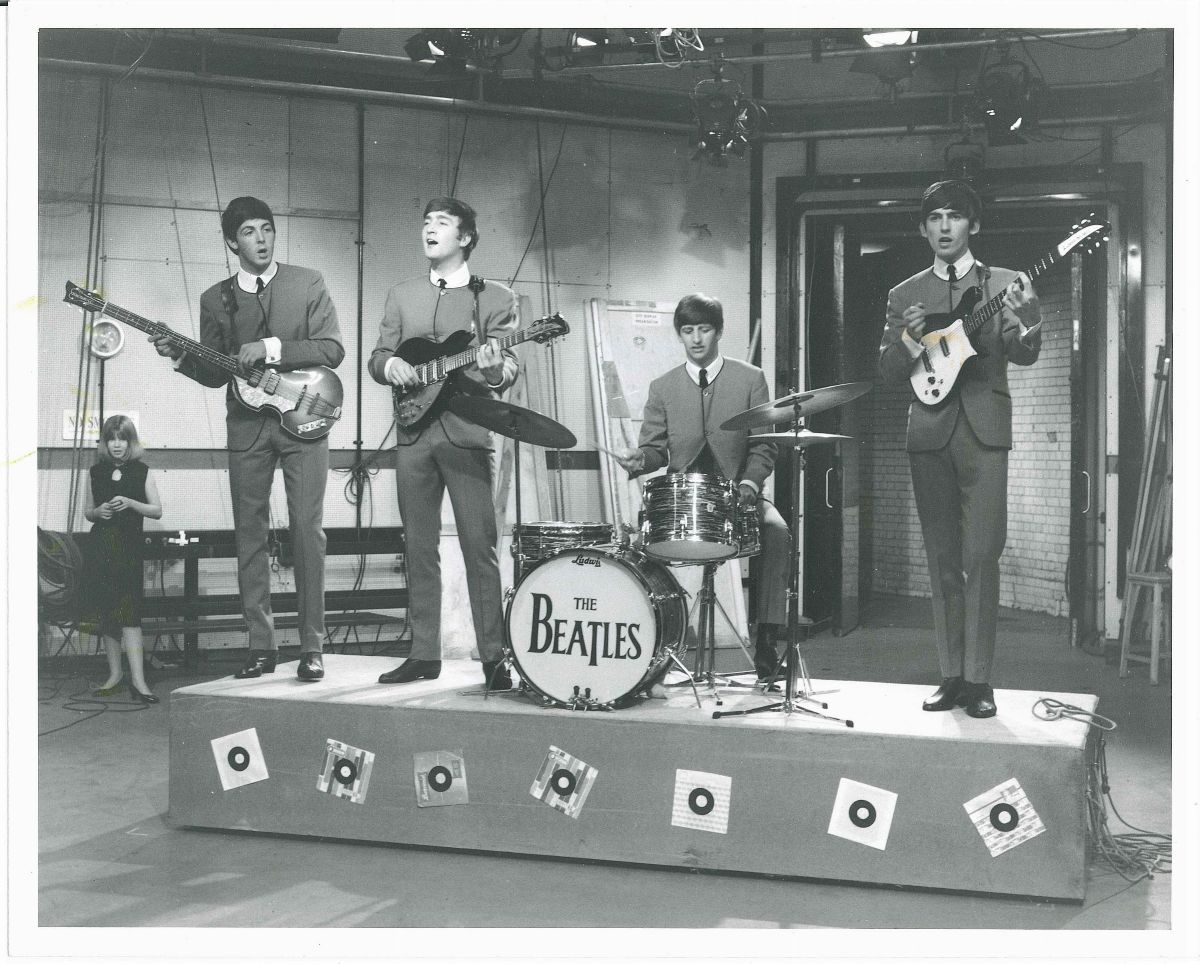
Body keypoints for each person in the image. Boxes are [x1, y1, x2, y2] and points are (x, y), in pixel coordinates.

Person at [151, 196, 344, 681]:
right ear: (231, 242)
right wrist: (179, 356)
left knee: (307, 532)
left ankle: (312, 647)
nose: (262, 239)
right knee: (249, 537)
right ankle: (261, 646)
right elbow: (217, 372)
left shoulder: (307, 282)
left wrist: (271, 348)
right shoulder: (214, 299)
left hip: (304, 420)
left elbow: (332, 349)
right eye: (250, 232)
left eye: (267, 229)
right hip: (245, 427)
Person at [878, 178, 1042, 719]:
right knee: (943, 560)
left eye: (954, 215)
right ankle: (951, 675)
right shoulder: (904, 294)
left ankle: (980, 680)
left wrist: (1031, 318)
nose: (945, 226)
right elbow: (887, 371)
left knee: (982, 557)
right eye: (935, 218)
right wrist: (908, 340)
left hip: (985, 431)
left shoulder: (1007, 283)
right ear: (923, 229)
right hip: (928, 433)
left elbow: (1024, 354)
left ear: (973, 224)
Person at [368, 197, 519, 690]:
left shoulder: (495, 297)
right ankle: (423, 654)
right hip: (413, 433)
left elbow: (508, 369)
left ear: (465, 237)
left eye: (442, 222)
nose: (429, 229)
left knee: (480, 548)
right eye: (426, 221)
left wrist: (494, 371)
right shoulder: (401, 294)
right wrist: (389, 365)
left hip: (466, 433)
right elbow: (378, 356)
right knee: (419, 547)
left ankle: (493, 657)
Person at [615, 293, 790, 683]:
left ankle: (766, 645)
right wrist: (639, 459)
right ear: (680, 334)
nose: (696, 339)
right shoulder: (662, 387)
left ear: (719, 331)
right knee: (639, 544)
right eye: (688, 330)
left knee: (777, 531)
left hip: (738, 496)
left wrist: (749, 483)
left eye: (705, 329)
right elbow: (655, 450)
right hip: (681, 500)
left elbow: (764, 445)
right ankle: (655, 650)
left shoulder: (751, 378)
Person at [82, 415, 163, 704]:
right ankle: (115, 675)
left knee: (130, 615)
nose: (117, 445)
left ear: (131, 442)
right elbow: (88, 512)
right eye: (111, 439)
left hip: (129, 550)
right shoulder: (95, 472)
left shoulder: (142, 471)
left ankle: (139, 681)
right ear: (105, 443)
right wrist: (98, 512)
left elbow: (157, 511)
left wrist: (130, 503)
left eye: (122, 439)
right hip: (101, 549)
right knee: (108, 614)